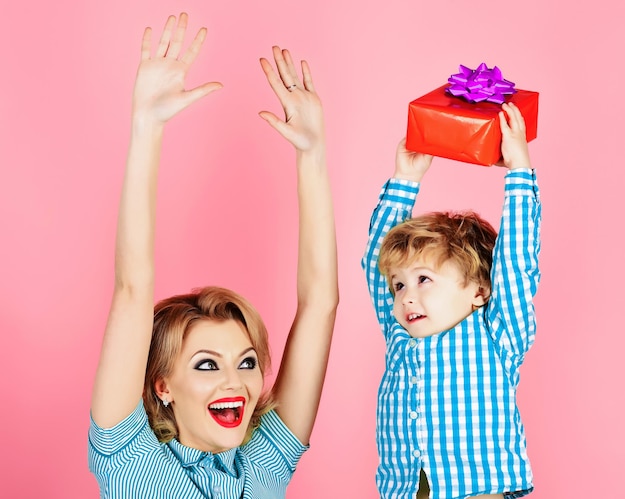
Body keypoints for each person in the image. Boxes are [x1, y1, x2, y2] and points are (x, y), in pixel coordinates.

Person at [89, 13, 338, 499]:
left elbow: (320, 304)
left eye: (247, 363)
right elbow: (132, 289)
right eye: (206, 365)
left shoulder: (264, 459)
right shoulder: (128, 460)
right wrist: (147, 128)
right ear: (163, 387)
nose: (236, 382)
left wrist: (313, 156)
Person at [362, 102, 540, 498]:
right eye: (400, 286)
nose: (407, 297)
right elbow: (377, 266)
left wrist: (519, 174)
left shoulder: (498, 337)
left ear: (479, 291)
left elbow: (516, 264)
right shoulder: (401, 336)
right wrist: (405, 179)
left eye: (424, 279)